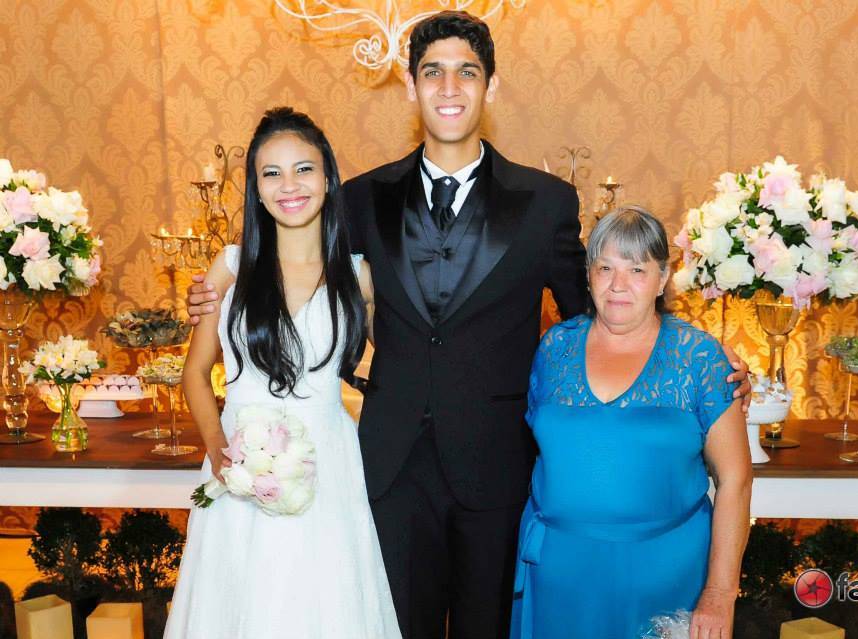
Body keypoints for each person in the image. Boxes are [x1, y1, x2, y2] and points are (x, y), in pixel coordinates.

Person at [188, 13, 751, 638]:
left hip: (497, 467)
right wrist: (219, 289)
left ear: (491, 86)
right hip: (390, 469)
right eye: (433, 73)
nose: (449, 88)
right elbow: (299, 273)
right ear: (411, 86)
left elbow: (596, 312)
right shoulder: (362, 198)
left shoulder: (545, 202)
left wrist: (690, 356)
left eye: (467, 72)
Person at [166, 107, 401, 639]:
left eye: (304, 169)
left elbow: (405, 365)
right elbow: (195, 373)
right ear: (256, 188)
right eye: (271, 173)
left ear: (328, 178)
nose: (289, 185)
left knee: (325, 604)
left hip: (329, 463)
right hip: (237, 462)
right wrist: (218, 451)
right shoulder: (230, 267)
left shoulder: (359, 275)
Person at [510, 206, 753, 639]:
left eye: (637, 269)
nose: (618, 284)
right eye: (605, 268)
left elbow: (735, 479)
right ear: (588, 276)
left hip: (665, 579)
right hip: (560, 578)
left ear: (662, 279)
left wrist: (719, 593)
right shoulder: (554, 348)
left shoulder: (700, 359)